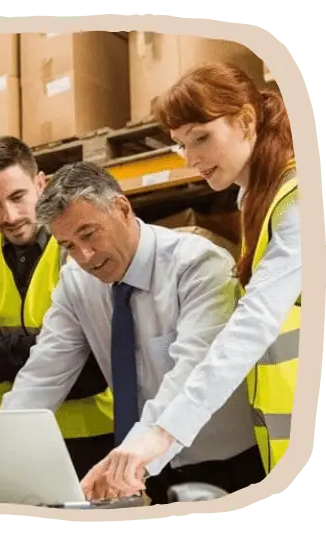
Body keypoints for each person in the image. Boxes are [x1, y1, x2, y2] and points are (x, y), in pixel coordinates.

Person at [89, 61, 301, 495]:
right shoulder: (259, 201)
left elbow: (253, 323)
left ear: (245, 120)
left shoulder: (298, 199)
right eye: (182, 144)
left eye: (201, 138)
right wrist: (144, 445)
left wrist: (163, 436)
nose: (190, 158)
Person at [0, 161, 266, 504]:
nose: (85, 256)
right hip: (145, 470)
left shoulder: (199, 266)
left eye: (89, 234)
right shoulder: (77, 283)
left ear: (122, 209)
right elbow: (44, 373)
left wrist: (134, 454)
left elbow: (191, 374)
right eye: (68, 245)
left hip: (228, 468)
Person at [0, 136, 115, 479]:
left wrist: (2, 355)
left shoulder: (76, 247)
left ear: (41, 183)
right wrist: (45, 348)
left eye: (17, 197)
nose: (9, 215)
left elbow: (95, 366)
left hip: (96, 433)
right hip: (17, 431)